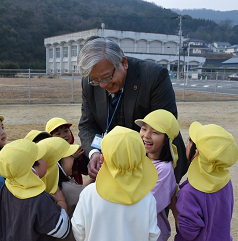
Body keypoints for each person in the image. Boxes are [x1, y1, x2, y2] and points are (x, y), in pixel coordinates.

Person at [77, 36, 188, 183]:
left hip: (155, 162)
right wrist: (94, 154)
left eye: (107, 77)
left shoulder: (154, 77)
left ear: (124, 63)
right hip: (117, 164)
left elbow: (162, 129)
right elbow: (87, 125)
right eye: (95, 80)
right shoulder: (90, 82)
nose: (102, 85)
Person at [71, 126, 160, 241]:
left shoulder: (89, 193)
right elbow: (152, 236)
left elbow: (78, 230)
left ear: (103, 158)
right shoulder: (147, 198)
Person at [169, 122, 238, 241]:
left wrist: (174, 206)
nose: (187, 145)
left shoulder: (190, 192)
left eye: (190, 142)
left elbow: (188, 233)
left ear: (195, 153)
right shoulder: (225, 180)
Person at [0, 139, 71, 241]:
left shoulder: (7, 186)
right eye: (41, 157)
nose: (45, 160)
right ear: (31, 169)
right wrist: (61, 201)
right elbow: (64, 230)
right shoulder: (40, 200)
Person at [135, 109, 180, 241]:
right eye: (144, 128)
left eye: (155, 132)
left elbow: (148, 204)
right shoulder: (141, 159)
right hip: (136, 234)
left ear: (166, 139)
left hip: (151, 240)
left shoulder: (164, 169)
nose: (146, 135)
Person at [51, 144, 94, 241]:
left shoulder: (57, 183)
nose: (73, 159)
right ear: (59, 163)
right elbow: (85, 194)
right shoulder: (68, 188)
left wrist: (91, 179)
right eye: (70, 157)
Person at [46, 117, 90, 185]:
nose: (63, 135)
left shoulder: (75, 150)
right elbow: (63, 175)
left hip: (76, 189)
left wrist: (85, 156)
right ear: (50, 138)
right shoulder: (51, 155)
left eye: (66, 131)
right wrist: (72, 158)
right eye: (58, 134)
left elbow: (86, 171)